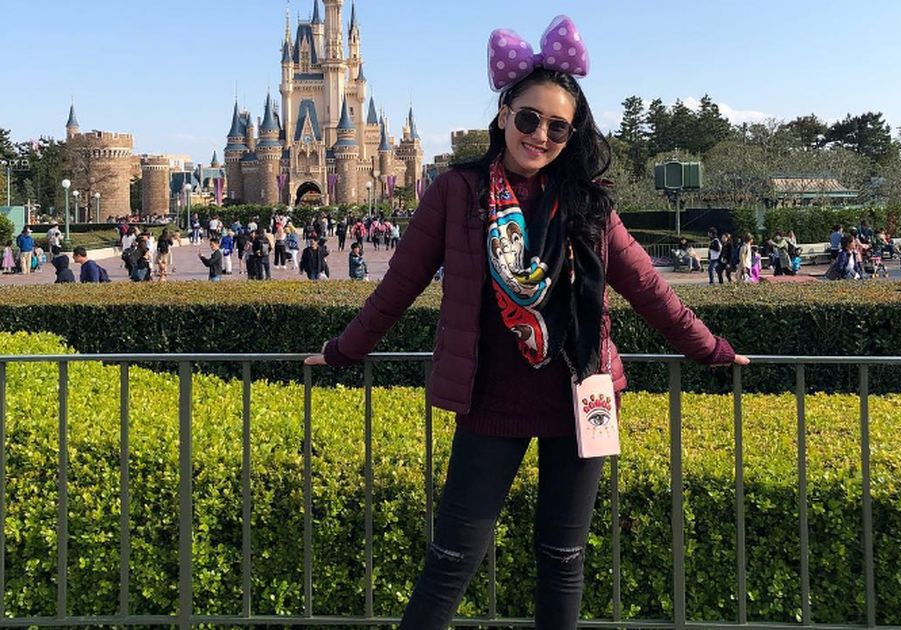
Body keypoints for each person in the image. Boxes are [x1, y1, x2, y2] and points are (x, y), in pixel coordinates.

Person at [303, 16, 747, 628]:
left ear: (572, 135)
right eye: (529, 119)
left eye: (558, 127)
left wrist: (710, 348)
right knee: (451, 558)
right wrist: (344, 350)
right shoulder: (457, 192)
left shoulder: (588, 202)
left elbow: (648, 287)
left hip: (581, 398)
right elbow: (399, 286)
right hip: (490, 401)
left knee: (563, 560)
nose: (540, 136)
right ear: (504, 113)